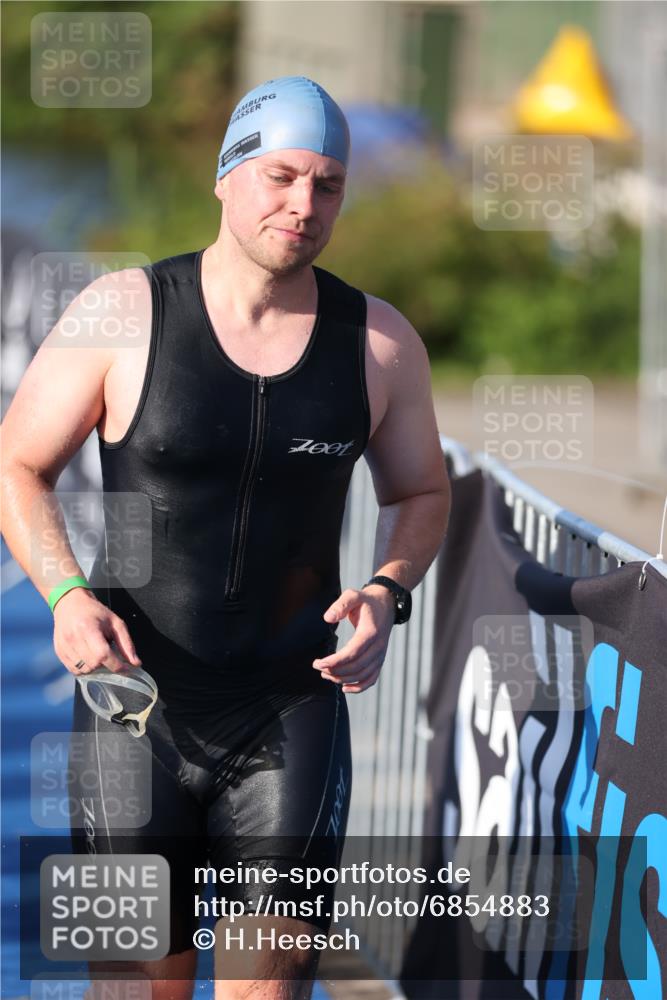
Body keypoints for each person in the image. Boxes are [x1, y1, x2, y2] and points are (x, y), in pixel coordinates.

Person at [0, 76, 450, 1000]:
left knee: (265, 991)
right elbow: (16, 467)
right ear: (226, 174)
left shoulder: (378, 343)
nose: (303, 204)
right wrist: (65, 595)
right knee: (134, 987)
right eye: (282, 175)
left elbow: (421, 489)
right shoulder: (124, 313)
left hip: (289, 710)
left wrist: (386, 590)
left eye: (328, 184)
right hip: (132, 710)